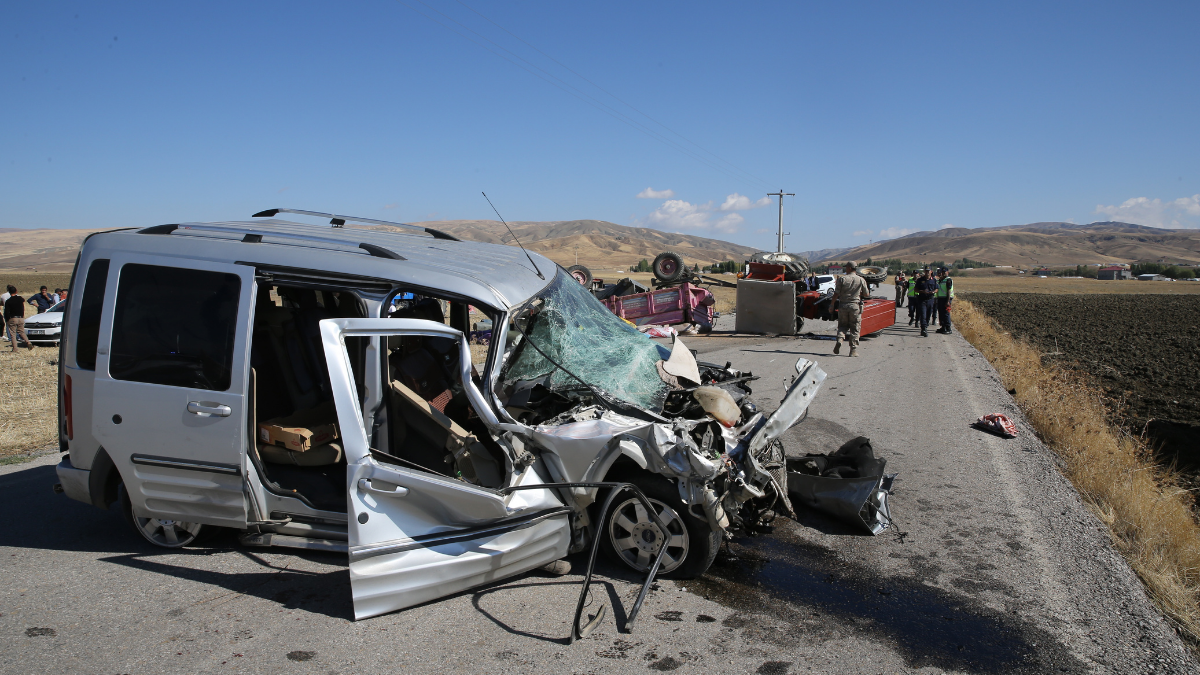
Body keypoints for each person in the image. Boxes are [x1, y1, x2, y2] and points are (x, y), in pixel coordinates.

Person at [832, 261, 870, 357]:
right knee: (855, 328)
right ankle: (853, 350)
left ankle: (840, 339)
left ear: (849, 268)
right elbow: (867, 294)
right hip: (855, 306)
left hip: (843, 305)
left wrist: (832, 305)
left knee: (842, 326)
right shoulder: (861, 280)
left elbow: (836, 293)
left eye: (846, 267)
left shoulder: (842, 279)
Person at [5, 285, 35, 352]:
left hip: (13, 318)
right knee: (21, 332)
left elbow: (6, 312)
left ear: (9, 292)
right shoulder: (20, 299)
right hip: (21, 318)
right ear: (16, 291)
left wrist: (7, 320)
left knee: (13, 334)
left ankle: (15, 348)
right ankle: (28, 342)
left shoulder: (8, 301)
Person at [915, 270, 938, 337]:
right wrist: (922, 291)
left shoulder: (934, 280)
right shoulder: (920, 280)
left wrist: (933, 292)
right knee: (923, 314)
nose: (927, 272)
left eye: (928, 271)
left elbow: (937, 289)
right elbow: (915, 289)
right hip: (922, 299)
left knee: (928, 314)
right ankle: (923, 329)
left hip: (930, 299)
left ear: (931, 271)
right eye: (926, 271)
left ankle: (926, 324)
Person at [935, 267, 955, 334]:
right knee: (941, 313)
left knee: (946, 314)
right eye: (942, 272)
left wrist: (948, 301)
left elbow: (949, 291)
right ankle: (943, 327)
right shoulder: (941, 280)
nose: (943, 273)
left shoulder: (948, 280)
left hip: (946, 298)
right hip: (940, 298)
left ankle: (948, 328)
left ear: (947, 272)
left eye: (945, 272)